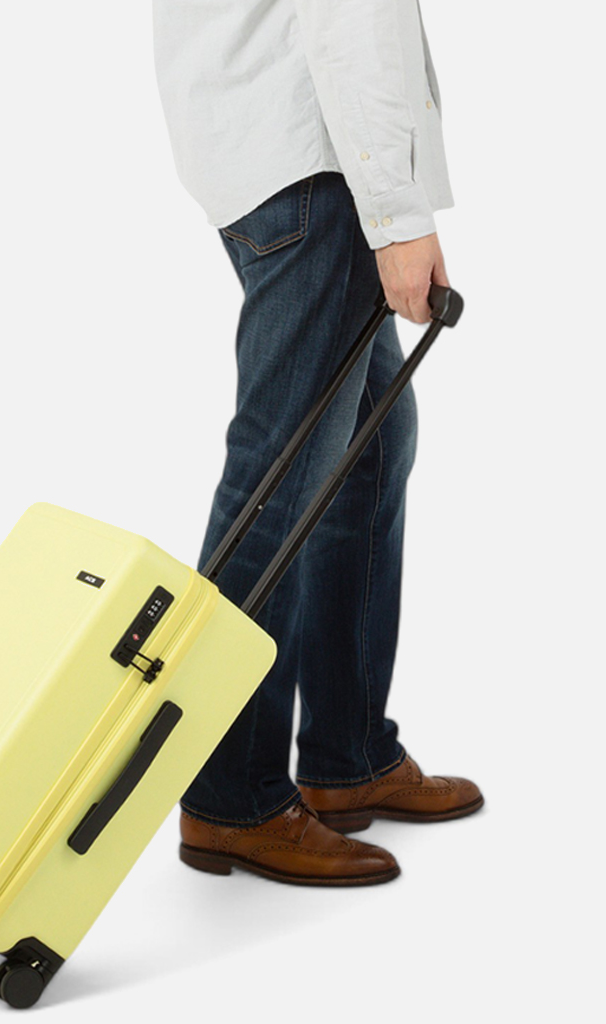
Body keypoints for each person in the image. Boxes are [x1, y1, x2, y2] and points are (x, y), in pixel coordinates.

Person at [151, 1, 483, 886]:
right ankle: (232, 795)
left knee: (368, 448)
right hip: (314, 166)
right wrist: (398, 217)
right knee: (282, 478)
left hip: (266, 151)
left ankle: (348, 753)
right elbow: (350, 18)